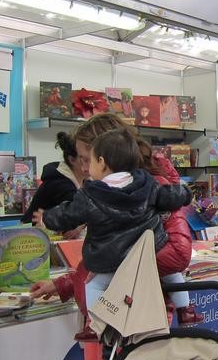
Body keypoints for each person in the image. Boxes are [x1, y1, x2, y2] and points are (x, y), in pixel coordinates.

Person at [35, 129, 191, 315]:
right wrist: (185, 193)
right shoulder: (147, 184)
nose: (85, 168)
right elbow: (169, 196)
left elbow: (67, 214)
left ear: (101, 162)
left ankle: (94, 324)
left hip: (111, 260)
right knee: (173, 277)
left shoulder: (92, 195)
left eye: (88, 160)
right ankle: (186, 310)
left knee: (93, 285)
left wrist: (46, 218)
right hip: (149, 251)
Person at [74, 113, 202, 325]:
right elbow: (104, 257)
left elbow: (178, 255)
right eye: (81, 160)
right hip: (110, 319)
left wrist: (114, 265)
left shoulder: (151, 189)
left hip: (137, 319)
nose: (84, 168)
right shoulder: (104, 194)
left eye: (88, 159)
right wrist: (64, 284)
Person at [22, 131, 86, 224]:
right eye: (85, 159)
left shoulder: (84, 180)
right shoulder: (60, 183)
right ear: (72, 159)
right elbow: (75, 216)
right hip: (33, 234)